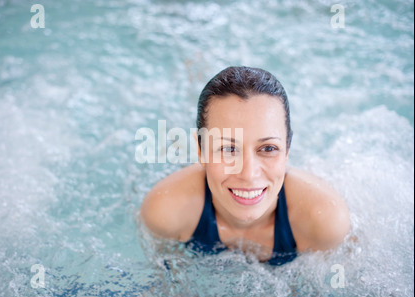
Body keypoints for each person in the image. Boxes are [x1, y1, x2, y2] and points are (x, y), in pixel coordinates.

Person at [140, 66, 350, 265]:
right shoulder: (165, 212)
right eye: (229, 149)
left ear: (287, 149)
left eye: (268, 148)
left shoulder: (324, 223)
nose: (248, 174)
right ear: (200, 150)